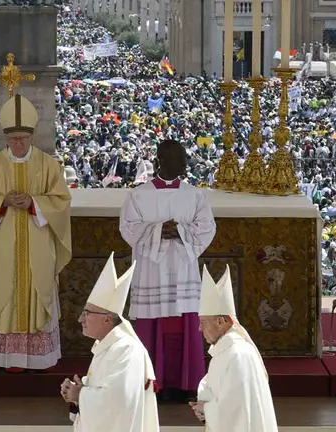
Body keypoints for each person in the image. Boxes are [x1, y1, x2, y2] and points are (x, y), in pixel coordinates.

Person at [0, 94, 72, 372]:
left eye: (23, 139)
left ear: (32, 136)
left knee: (37, 289)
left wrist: (35, 203)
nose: (18, 144)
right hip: (3, 245)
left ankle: (37, 357)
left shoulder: (49, 166)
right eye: (13, 139)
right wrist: (2, 202)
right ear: (5, 138)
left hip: (38, 245)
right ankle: (2, 356)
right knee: (4, 290)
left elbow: (61, 201)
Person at [119, 139, 216, 399]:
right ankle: (152, 383)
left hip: (184, 271)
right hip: (152, 272)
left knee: (186, 324)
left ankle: (187, 385)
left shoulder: (194, 195)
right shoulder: (139, 195)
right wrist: (161, 230)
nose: (185, 163)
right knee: (152, 326)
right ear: (162, 159)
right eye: (179, 158)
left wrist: (180, 231)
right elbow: (128, 228)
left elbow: (207, 227)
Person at [61, 252, 159, 432]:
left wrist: (80, 394)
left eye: (87, 314)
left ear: (107, 319)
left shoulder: (127, 349)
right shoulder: (107, 347)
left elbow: (118, 400)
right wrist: (77, 393)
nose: (80, 319)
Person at [190, 265, 277, 431]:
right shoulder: (224, 351)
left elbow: (236, 411)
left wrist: (206, 409)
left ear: (221, 322)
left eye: (203, 322)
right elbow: (214, 387)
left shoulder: (239, 354)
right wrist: (203, 404)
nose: (200, 329)